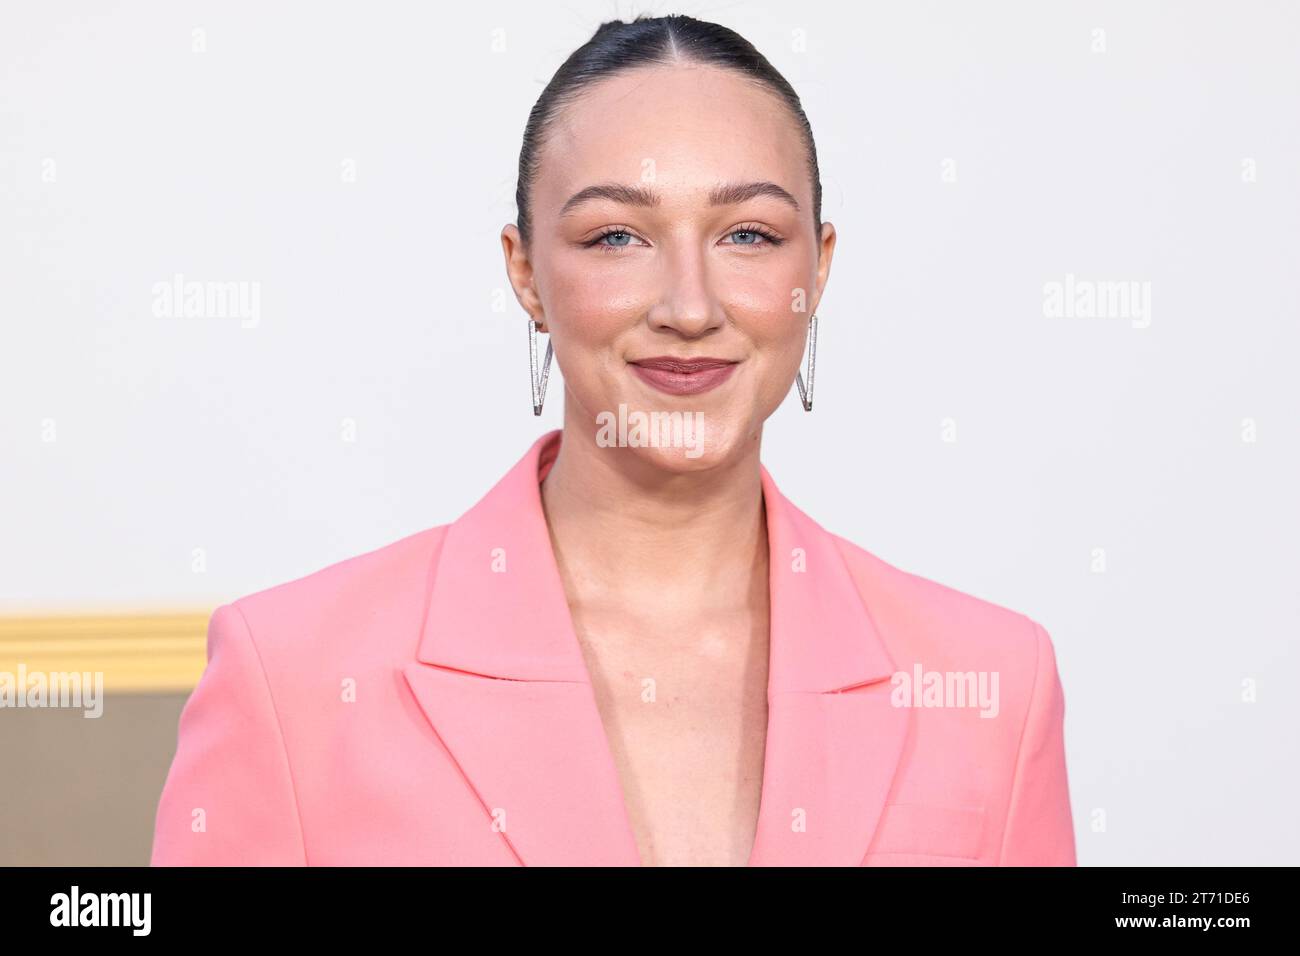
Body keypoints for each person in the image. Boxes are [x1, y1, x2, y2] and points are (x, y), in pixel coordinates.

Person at [151, 13, 1076, 867]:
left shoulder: (990, 682)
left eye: (748, 234)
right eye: (616, 238)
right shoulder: (295, 677)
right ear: (524, 271)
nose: (689, 306)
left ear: (818, 267)